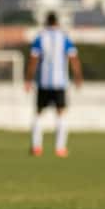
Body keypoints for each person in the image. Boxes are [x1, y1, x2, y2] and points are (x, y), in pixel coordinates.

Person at [24, 12, 83, 158]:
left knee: (38, 114)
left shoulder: (40, 38)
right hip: (60, 83)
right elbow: (74, 58)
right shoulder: (64, 38)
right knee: (61, 114)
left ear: (46, 22)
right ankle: (60, 148)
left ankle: (37, 147)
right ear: (57, 22)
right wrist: (78, 77)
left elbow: (33, 60)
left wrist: (29, 79)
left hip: (43, 83)